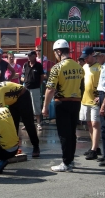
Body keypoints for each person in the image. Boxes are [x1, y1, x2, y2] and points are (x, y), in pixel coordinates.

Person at [42, 39, 84, 172]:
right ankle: (70, 160)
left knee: (64, 134)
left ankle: (66, 162)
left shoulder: (57, 67)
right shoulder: (78, 67)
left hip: (62, 102)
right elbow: (82, 86)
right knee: (72, 133)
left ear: (59, 52)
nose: (55, 55)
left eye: (55, 52)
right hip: (76, 102)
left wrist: (45, 106)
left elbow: (50, 89)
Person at [0, 81, 40, 157]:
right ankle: (13, 147)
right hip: (13, 102)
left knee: (28, 123)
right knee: (12, 124)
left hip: (23, 97)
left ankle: (36, 146)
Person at [79, 46, 102, 160]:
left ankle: (94, 149)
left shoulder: (99, 67)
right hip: (85, 99)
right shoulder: (85, 67)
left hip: (95, 100)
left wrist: (100, 96)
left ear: (92, 55)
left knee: (95, 124)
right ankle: (95, 146)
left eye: (86, 57)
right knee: (89, 124)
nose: (85, 60)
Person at [21, 50, 46, 130]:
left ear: (34, 56)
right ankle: (28, 124)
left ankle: (38, 123)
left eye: (30, 55)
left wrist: (38, 84)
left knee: (36, 106)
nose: (28, 57)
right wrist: (25, 80)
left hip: (35, 88)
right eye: (28, 55)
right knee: (27, 106)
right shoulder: (25, 65)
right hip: (26, 88)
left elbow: (42, 76)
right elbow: (22, 76)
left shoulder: (39, 65)